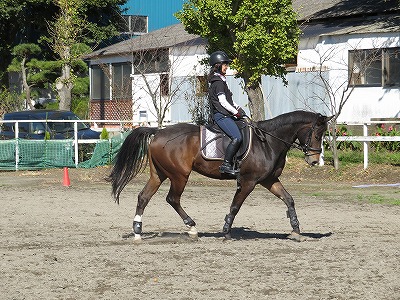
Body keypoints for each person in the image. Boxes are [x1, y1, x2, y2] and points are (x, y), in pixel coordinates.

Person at [208, 51, 246, 175]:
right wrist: (236, 113)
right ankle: (226, 164)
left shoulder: (221, 81)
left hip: (226, 114)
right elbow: (223, 102)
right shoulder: (218, 82)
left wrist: (238, 108)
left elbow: (229, 99)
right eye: (225, 64)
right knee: (237, 137)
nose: (227, 67)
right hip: (221, 116)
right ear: (217, 65)